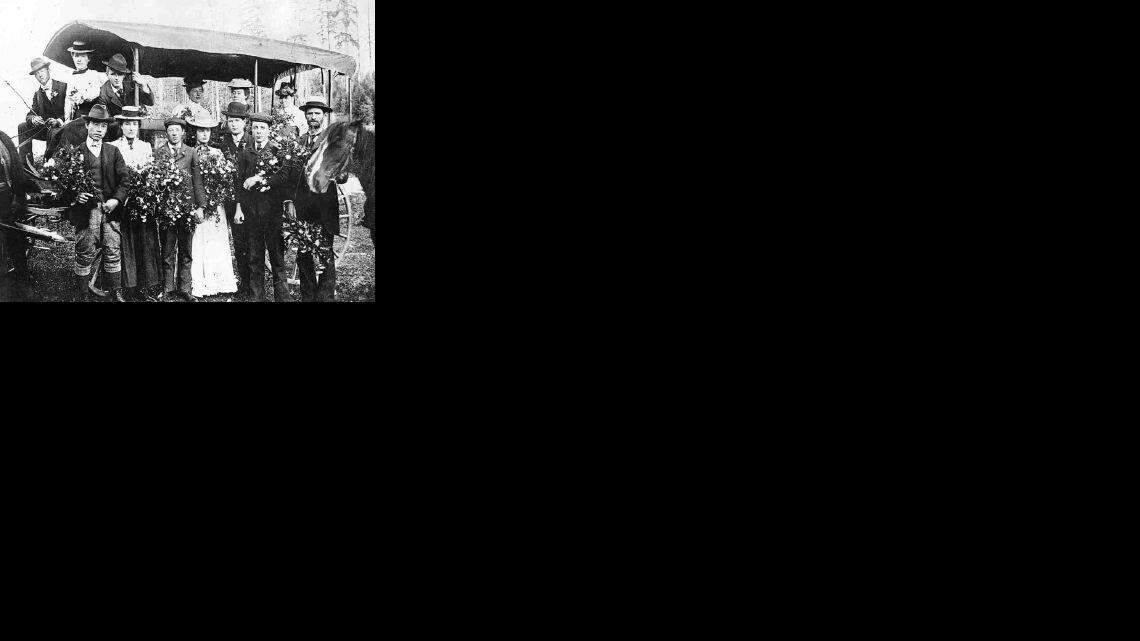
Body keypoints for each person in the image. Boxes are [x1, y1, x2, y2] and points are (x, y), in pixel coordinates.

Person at [65, 104, 129, 302]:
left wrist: (116, 200)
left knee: (112, 248)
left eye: (103, 126)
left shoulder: (113, 151)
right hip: (87, 211)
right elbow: (65, 185)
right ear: (87, 125)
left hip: (110, 210)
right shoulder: (76, 152)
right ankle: (82, 294)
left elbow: (125, 181)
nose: (99, 130)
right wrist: (76, 196)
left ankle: (115, 292)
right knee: (85, 250)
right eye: (95, 125)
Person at [236, 112, 291, 302]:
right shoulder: (245, 153)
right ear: (251, 129)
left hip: (272, 214)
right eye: (256, 128)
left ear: (269, 130)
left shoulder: (277, 151)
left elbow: (283, 177)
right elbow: (239, 184)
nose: (259, 132)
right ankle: (256, 297)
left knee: (277, 258)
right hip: (252, 215)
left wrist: (260, 178)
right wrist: (239, 208)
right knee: (254, 258)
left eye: (263, 128)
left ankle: (282, 298)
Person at [110, 106, 160, 302]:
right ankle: (127, 287)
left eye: (134, 124)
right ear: (121, 126)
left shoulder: (145, 146)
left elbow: (150, 171)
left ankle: (145, 287)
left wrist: (145, 193)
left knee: (145, 243)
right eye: (127, 124)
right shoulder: (113, 147)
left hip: (142, 202)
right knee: (125, 244)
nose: (131, 128)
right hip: (123, 202)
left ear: (138, 126)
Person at [153, 117, 205, 302]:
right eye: (171, 130)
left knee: (186, 249)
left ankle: (185, 288)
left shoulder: (191, 152)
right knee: (167, 249)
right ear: (166, 132)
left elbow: (197, 181)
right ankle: (167, 288)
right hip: (167, 209)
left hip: (187, 208)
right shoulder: (159, 153)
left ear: (183, 133)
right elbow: (155, 182)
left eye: (177, 130)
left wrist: (200, 206)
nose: (174, 133)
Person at [185, 114, 237, 298]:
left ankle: (219, 282)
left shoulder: (218, 153)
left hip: (216, 205)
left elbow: (225, 180)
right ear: (195, 132)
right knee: (199, 239)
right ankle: (200, 282)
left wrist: (216, 198)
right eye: (201, 130)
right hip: (198, 204)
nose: (204, 134)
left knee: (216, 239)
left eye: (207, 130)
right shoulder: (190, 152)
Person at [0, 128, 41, 302]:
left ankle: (22, 286)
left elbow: (16, 170)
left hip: (7, 201)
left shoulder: (3, 139)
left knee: (16, 243)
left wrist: (20, 194)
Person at [216, 101, 252, 297]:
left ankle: (251, 282)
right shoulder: (223, 145)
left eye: (237, 120)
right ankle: (242, 283)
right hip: (229, 200)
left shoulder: (253, 141)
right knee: (237, 242)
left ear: (245, 122)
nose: (234, 124)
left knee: (249, 242)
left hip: (249, 201)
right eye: (231, 121)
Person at [48, 41, 107, 159]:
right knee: (56, 131)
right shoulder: (71, 77)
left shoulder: (93, 74)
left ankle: (62, 161)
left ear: (88, 58)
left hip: (91, 115)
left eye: (82, 56)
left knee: (68, 131)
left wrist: (81, 96)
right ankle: (52, 162)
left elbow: (94, 93)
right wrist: (67, 120)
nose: (78, 59)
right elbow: (68, 103)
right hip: (77, 116)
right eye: (76, 56)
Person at [17, 57, 67, 168]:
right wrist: (33, 119)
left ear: (48, 70)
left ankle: (49, 167)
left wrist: (58, 121)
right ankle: (26, 166)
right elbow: (31, 113)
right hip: (46, 129)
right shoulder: (38, 94)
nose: (40, 75)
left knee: (53, 132)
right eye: (36, 73)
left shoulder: (64, 87)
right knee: (22, 127)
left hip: (62, 129)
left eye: (42, 71)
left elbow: (70, 111)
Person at [97, 53, 155, 142]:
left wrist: (144, 84)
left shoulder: (132, 84)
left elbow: (150, 102)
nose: (116, 78)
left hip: (138, 127)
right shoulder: (104, 93)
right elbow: (106, 120)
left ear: (124, 75)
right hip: (117, 131)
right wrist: (125, 125)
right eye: (113, 74)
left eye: (120, 74)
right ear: (107, 74)